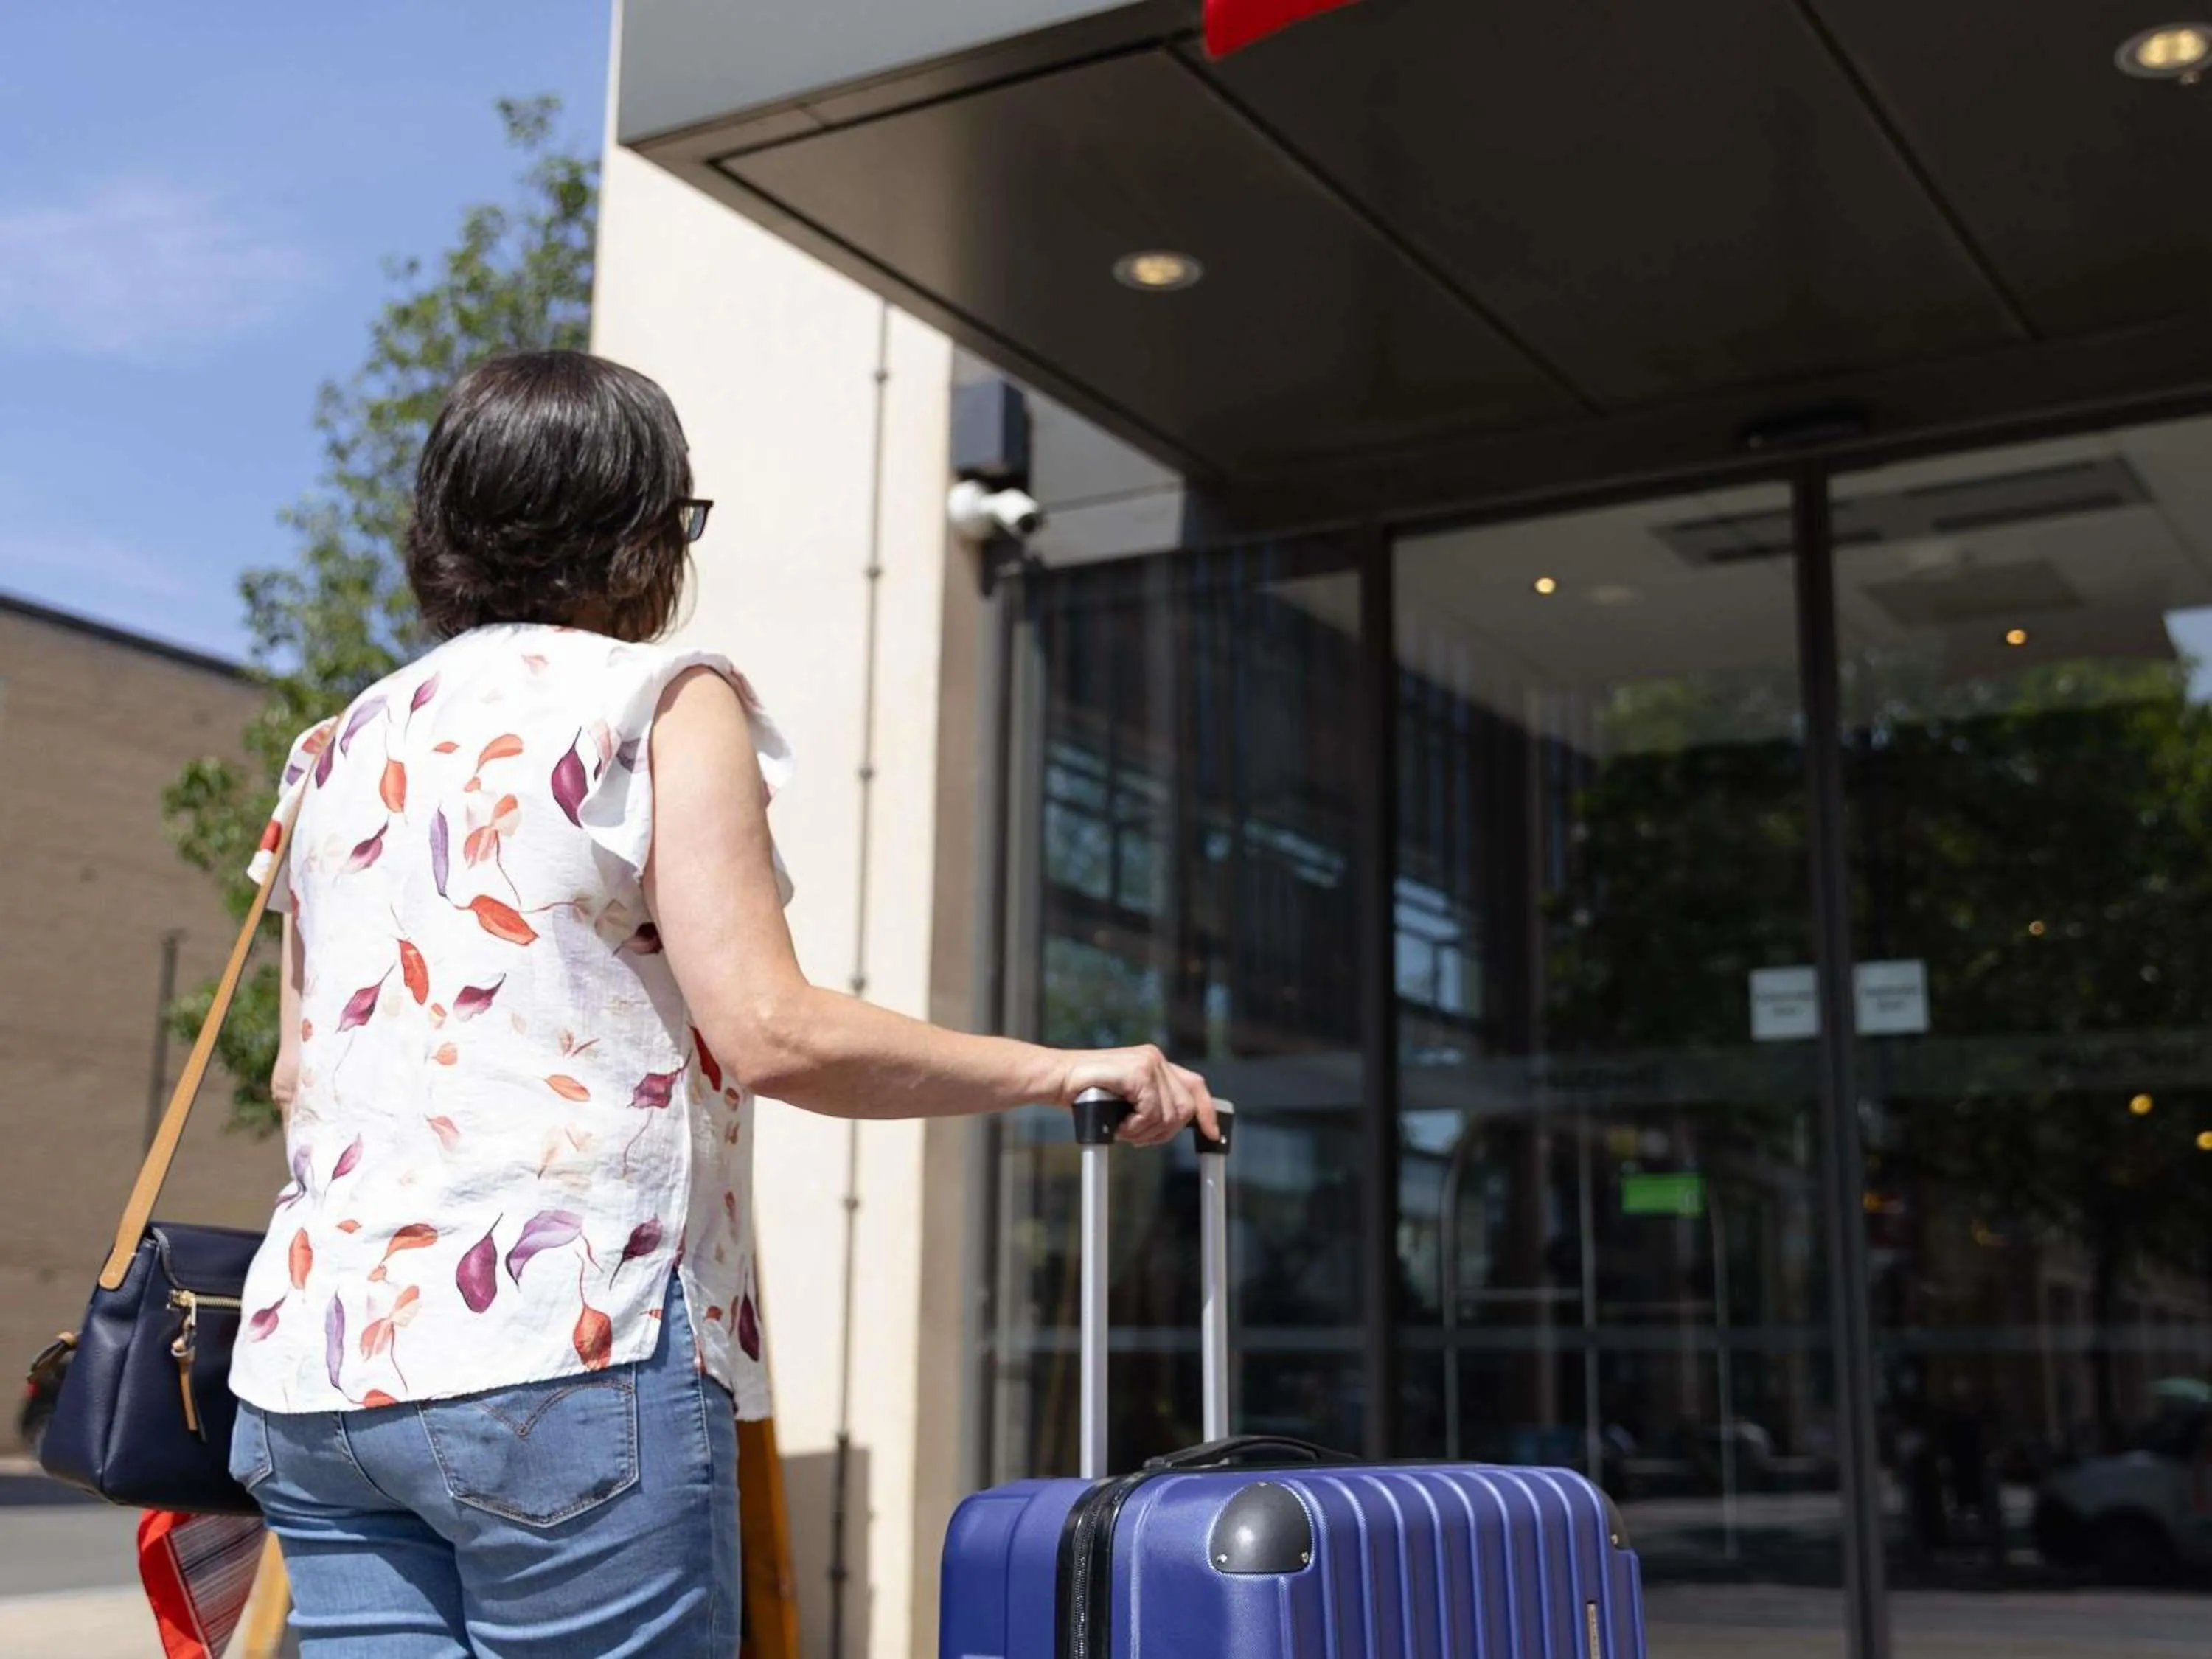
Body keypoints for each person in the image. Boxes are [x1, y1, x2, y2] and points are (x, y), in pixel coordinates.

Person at [226, 349, 1217, 1658]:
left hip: (319, 1371)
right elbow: (770, 1028)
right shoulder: (654, 699)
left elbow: (300, 1075)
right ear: (637, 530)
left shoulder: (337, 746)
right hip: (561, 1348)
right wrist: (1057, 1068)